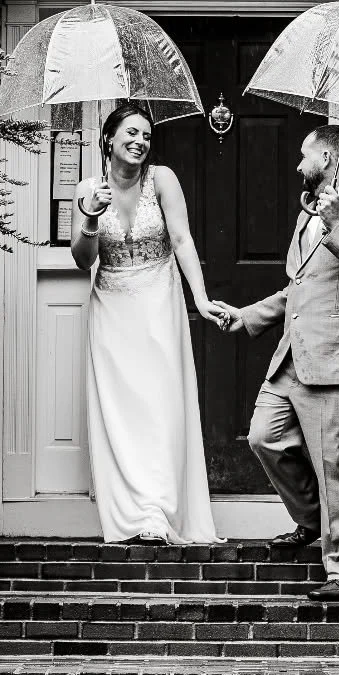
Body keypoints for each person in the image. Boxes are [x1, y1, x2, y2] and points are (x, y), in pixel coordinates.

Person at [219, 124, 339, 601]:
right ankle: (313, 520)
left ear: (327, 157)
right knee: (264, 437)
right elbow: (298, 288)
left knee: (334, 463)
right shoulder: (310, 212)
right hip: (294, 354)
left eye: (305, 156)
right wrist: (247, 316)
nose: (299, 165)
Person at [71, 102, 226, 544]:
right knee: (121, 412)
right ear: (109, 139)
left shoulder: (162, 179)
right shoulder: (87, 189)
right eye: (131, 133)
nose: (140, 142)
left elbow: (182, 239)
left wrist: (200, 297)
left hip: (159, 300)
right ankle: (131, 512)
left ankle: (158, 511)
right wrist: (90, 217)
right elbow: (82, 260)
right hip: (112, 306)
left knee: (160, 407)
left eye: (146, 135)